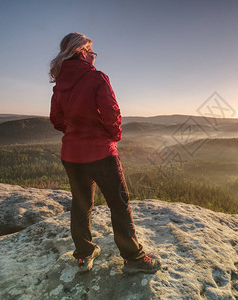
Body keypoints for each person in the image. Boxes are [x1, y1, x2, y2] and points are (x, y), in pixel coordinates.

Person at [49, 32, 161, 274]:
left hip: (71, 154)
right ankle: (134, 258)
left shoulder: (59, 84)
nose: (93, 57)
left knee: (81, 204)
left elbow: (56, 120)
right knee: (119, 204)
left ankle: (84, 255)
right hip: (100, 152)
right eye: (91, 52)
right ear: (81, 52)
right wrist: (112, 136)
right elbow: (111, 113)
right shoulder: (97, 77)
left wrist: (75, 132)